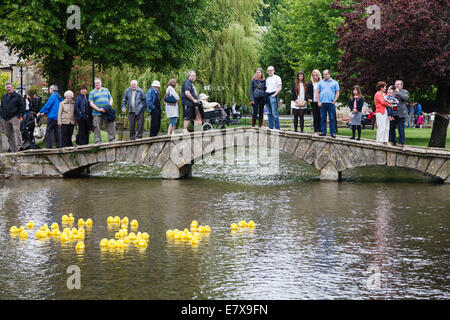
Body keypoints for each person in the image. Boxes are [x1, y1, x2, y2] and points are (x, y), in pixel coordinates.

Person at [89, 77, 115, 143]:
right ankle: (98, 141)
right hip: (96, 113)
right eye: (95, 83)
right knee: (96, 127)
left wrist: (108, 107)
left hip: (107, 112)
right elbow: (91, 103)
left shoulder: (106, 90)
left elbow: (111, 99)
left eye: (98, 83)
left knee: (111, 125)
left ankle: (112, 139)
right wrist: (98, 109)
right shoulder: (92, 92)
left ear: (101, 83)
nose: (97, 84)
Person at [0, 83, 25, 152]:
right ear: (6, 89)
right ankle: (13, 149)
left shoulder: (17, 96)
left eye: (9, 87)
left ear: (12, 88)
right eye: (7, 87)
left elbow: (22, 106)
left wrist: (19, 115)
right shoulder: (3, 97)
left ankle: (19, 147)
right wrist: (2, 115)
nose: (8, 89)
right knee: (8, 134)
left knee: (17, 131)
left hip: (14, 117)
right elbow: (2, 106)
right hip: (5, 118)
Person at [316, 69, 340, 137]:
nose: (325, 76)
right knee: (323, 118)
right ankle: (323, 131)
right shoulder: (320, 83)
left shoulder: (335, 83)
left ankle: (333, 132)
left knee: (332, 118)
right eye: (324, 74)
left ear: (329, 74)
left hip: (331, 103)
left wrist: (334, 101)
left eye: (326, 74)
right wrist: (318, 102)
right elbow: (317, 93)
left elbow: (337, 92)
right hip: (322, 103)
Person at [393, 80, 409, 147]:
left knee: (401, 128)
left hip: (401, 114)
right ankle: (393, 141)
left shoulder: (404, 91)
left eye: (398, 84)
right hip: (393, 113)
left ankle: (401, 142)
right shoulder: (392, 92)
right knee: (392, 129)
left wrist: (398, 93)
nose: (396, 85)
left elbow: (405, 98)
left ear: (401, 85)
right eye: (396, 84)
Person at [307, 69, 322, 135]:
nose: (315, 76)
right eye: (314, 75)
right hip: (314, 101)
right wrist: (309, 98)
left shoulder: (321, 82)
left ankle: (321, 130)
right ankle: (316, 130)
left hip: (321, 101)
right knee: (315, 116)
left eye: (316, 75)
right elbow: (308, 92)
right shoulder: (310, 83)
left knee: (321, 116)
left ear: (319, 75)